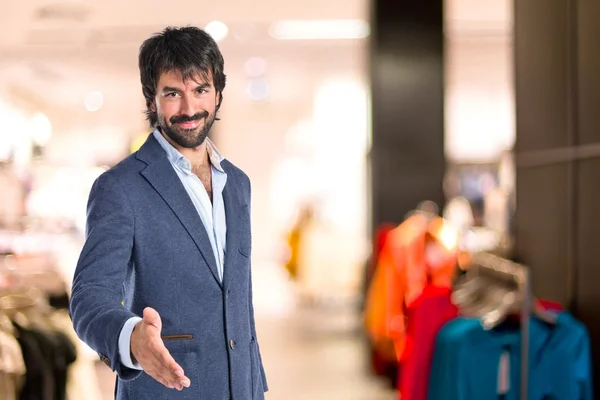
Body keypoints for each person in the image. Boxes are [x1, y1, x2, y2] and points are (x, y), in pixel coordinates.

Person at [69, 26, 268, 400]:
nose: (190, 109)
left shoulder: (238, 184)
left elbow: (237, 300)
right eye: (173, 93)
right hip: (165, 391)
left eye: (201, 90)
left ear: (218, 93)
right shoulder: (120, 188)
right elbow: (89, 297)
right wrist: (132, 337)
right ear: (152, 98)